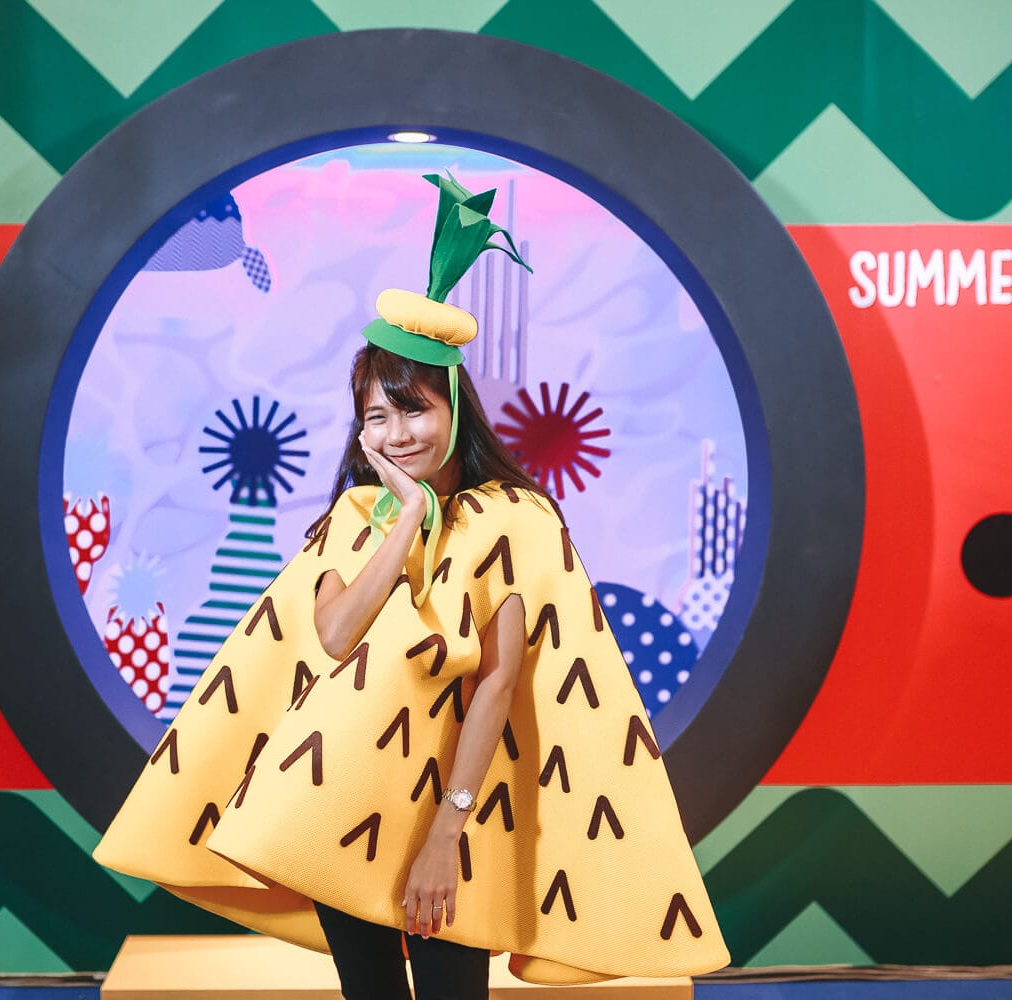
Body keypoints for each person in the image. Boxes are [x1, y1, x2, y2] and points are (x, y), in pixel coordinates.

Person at [94, 175, 728, 996]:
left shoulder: (515, 518)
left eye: (413, 409)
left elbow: (497, 683)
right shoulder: (358, 514)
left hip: (457, 817)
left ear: (455, 408)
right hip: (340, 801)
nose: (396, 434)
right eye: (376, 417)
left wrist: (444, 837)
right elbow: (334, 635)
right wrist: (407, 519)